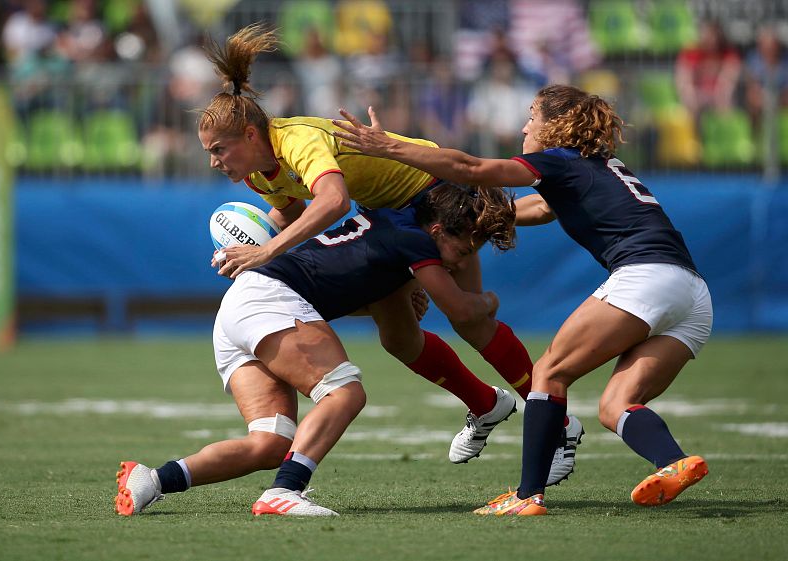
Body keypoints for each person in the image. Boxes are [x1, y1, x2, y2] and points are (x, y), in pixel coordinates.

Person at [195, 23, 584, 476]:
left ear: (249, 134)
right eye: (208, 151)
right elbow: (291, 213)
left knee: (469, 317)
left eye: (218, 149)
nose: (213, 161)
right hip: (391, 216)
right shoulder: (257, 173)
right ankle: (486, 404)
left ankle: (558, 423)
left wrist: (264, 255)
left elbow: (333, 201)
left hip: (431, 193)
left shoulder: (296, 139)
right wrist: (242, 247)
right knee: (399, 337)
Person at [332, 83, 713, 515]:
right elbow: (536, 210)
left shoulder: (562, 160)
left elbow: (471, 167)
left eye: (532, 116)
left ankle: (526, 495)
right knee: (615, 406)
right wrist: (472, 217)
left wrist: (390, 147)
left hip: (646, 276)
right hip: (693, 296)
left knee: (548, 373)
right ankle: (673, 461)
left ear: (555, 127)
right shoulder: (595, 167)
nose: (524, 125)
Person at [116, 182, 516, 517]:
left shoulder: (390, 222)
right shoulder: (416, 241)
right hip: (270, 301)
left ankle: (152, 480)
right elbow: (461, 308)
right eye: (463, 250)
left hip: (242, 308)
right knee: (344, 393)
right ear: (438, 229)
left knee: (270, 443)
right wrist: (491, 301)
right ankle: (284, 492)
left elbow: (342, 284)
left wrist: (395, 293)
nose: (462, 260)